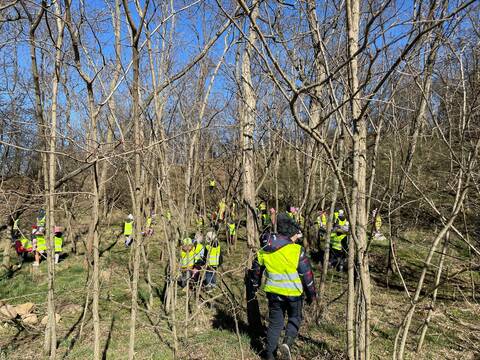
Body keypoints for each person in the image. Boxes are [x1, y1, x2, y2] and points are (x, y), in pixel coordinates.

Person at [250, 213, 317, 360]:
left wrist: (254, 286)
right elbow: (307, 276)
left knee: (275, 325)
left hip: (273, 294)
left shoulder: (265, 250)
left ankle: (270, 356)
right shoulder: (296, 250)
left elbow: (255, 271)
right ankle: (287, 344)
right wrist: (312, 295)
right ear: (291, 233)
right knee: (295, 318)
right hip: (294, 294)